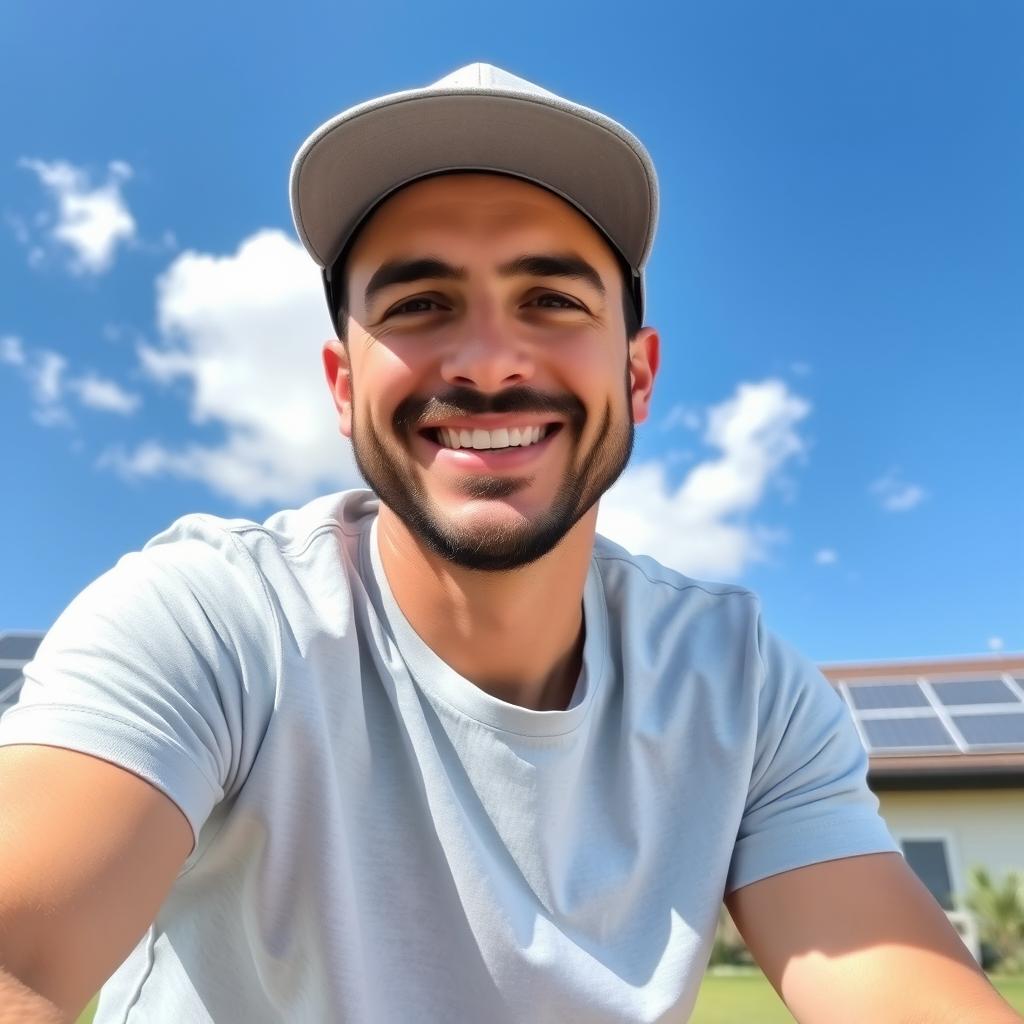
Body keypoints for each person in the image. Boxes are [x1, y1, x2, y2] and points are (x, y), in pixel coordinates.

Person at [0, 64, 1018, 1024]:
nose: (487, 362)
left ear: (638, 375)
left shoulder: (743, 692)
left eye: (551, 300)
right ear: (344, 387)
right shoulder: (208, 621)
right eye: (420, 305)